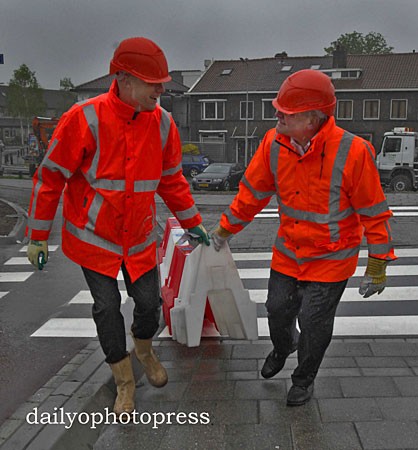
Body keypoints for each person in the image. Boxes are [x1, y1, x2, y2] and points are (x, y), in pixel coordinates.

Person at [26, 37, 210, 416]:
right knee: (107, 307)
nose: (160, 91)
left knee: (149, 305)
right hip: (94, 238)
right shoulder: (84, 118)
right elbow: (50, 178)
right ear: (124, 79)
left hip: (140, 237)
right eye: (152, 83)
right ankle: (124, 381)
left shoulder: (163, 124)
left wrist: (193, 223)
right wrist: (38, 236)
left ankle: (143, 348)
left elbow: (172, 179)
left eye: (162, 83)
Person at [212, 69, 396, 406]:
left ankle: (303, 379)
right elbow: (252, 193)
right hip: (289, 253)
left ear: (314, 118)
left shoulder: (353, 152)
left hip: (332, 258)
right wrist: (225, 228)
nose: (277, 115)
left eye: (286, 112)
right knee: (277, 310)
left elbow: (374, 212)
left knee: (313, 323)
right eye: (278, 109)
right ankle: (283, 347)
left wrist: (378, 263)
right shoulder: (273, 143)